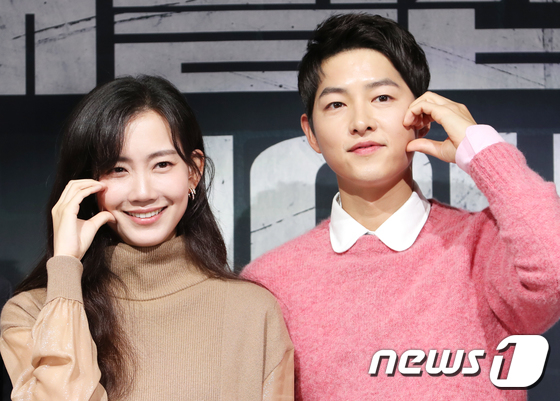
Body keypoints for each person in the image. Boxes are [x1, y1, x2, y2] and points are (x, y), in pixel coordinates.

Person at [241, 13, 560, 400]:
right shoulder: (272, 283)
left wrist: (481, 149)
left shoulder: (484, 246)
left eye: (382, 98)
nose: (361, 122)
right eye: (337, 104)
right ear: (311, 132)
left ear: (422, 117)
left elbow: (554, 270)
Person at [0, 75, 294, 401]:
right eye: (118, 169)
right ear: (86, 183)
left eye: (162, 164)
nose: (142, 193)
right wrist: (65, 270)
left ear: (193, 172)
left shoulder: (254, 313)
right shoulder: (33, 313)